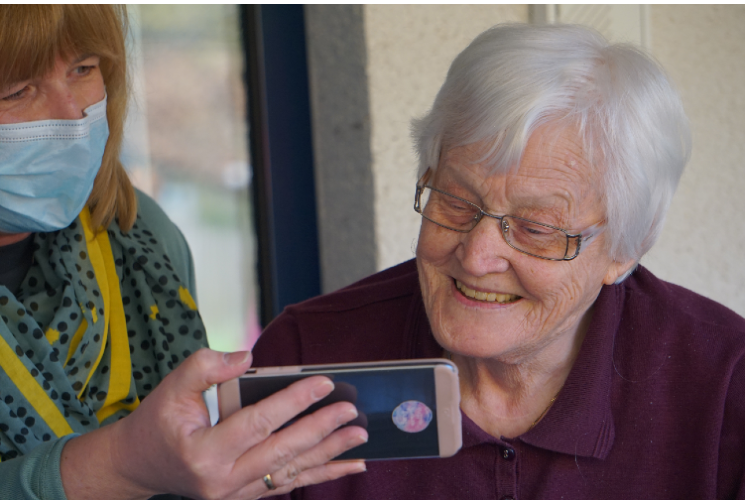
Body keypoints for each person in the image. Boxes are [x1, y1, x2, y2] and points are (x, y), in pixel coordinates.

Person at [252, 23, 745, 499]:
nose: (477, 255)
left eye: (537, 228)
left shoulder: (724, 385)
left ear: (622, 251)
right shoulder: (308, 356)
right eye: (456, 202)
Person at [0, 5, 367, 499]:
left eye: (83, 69)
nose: (73, 114)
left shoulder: (137, 234)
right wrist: (121, 464)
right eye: (17, 90)